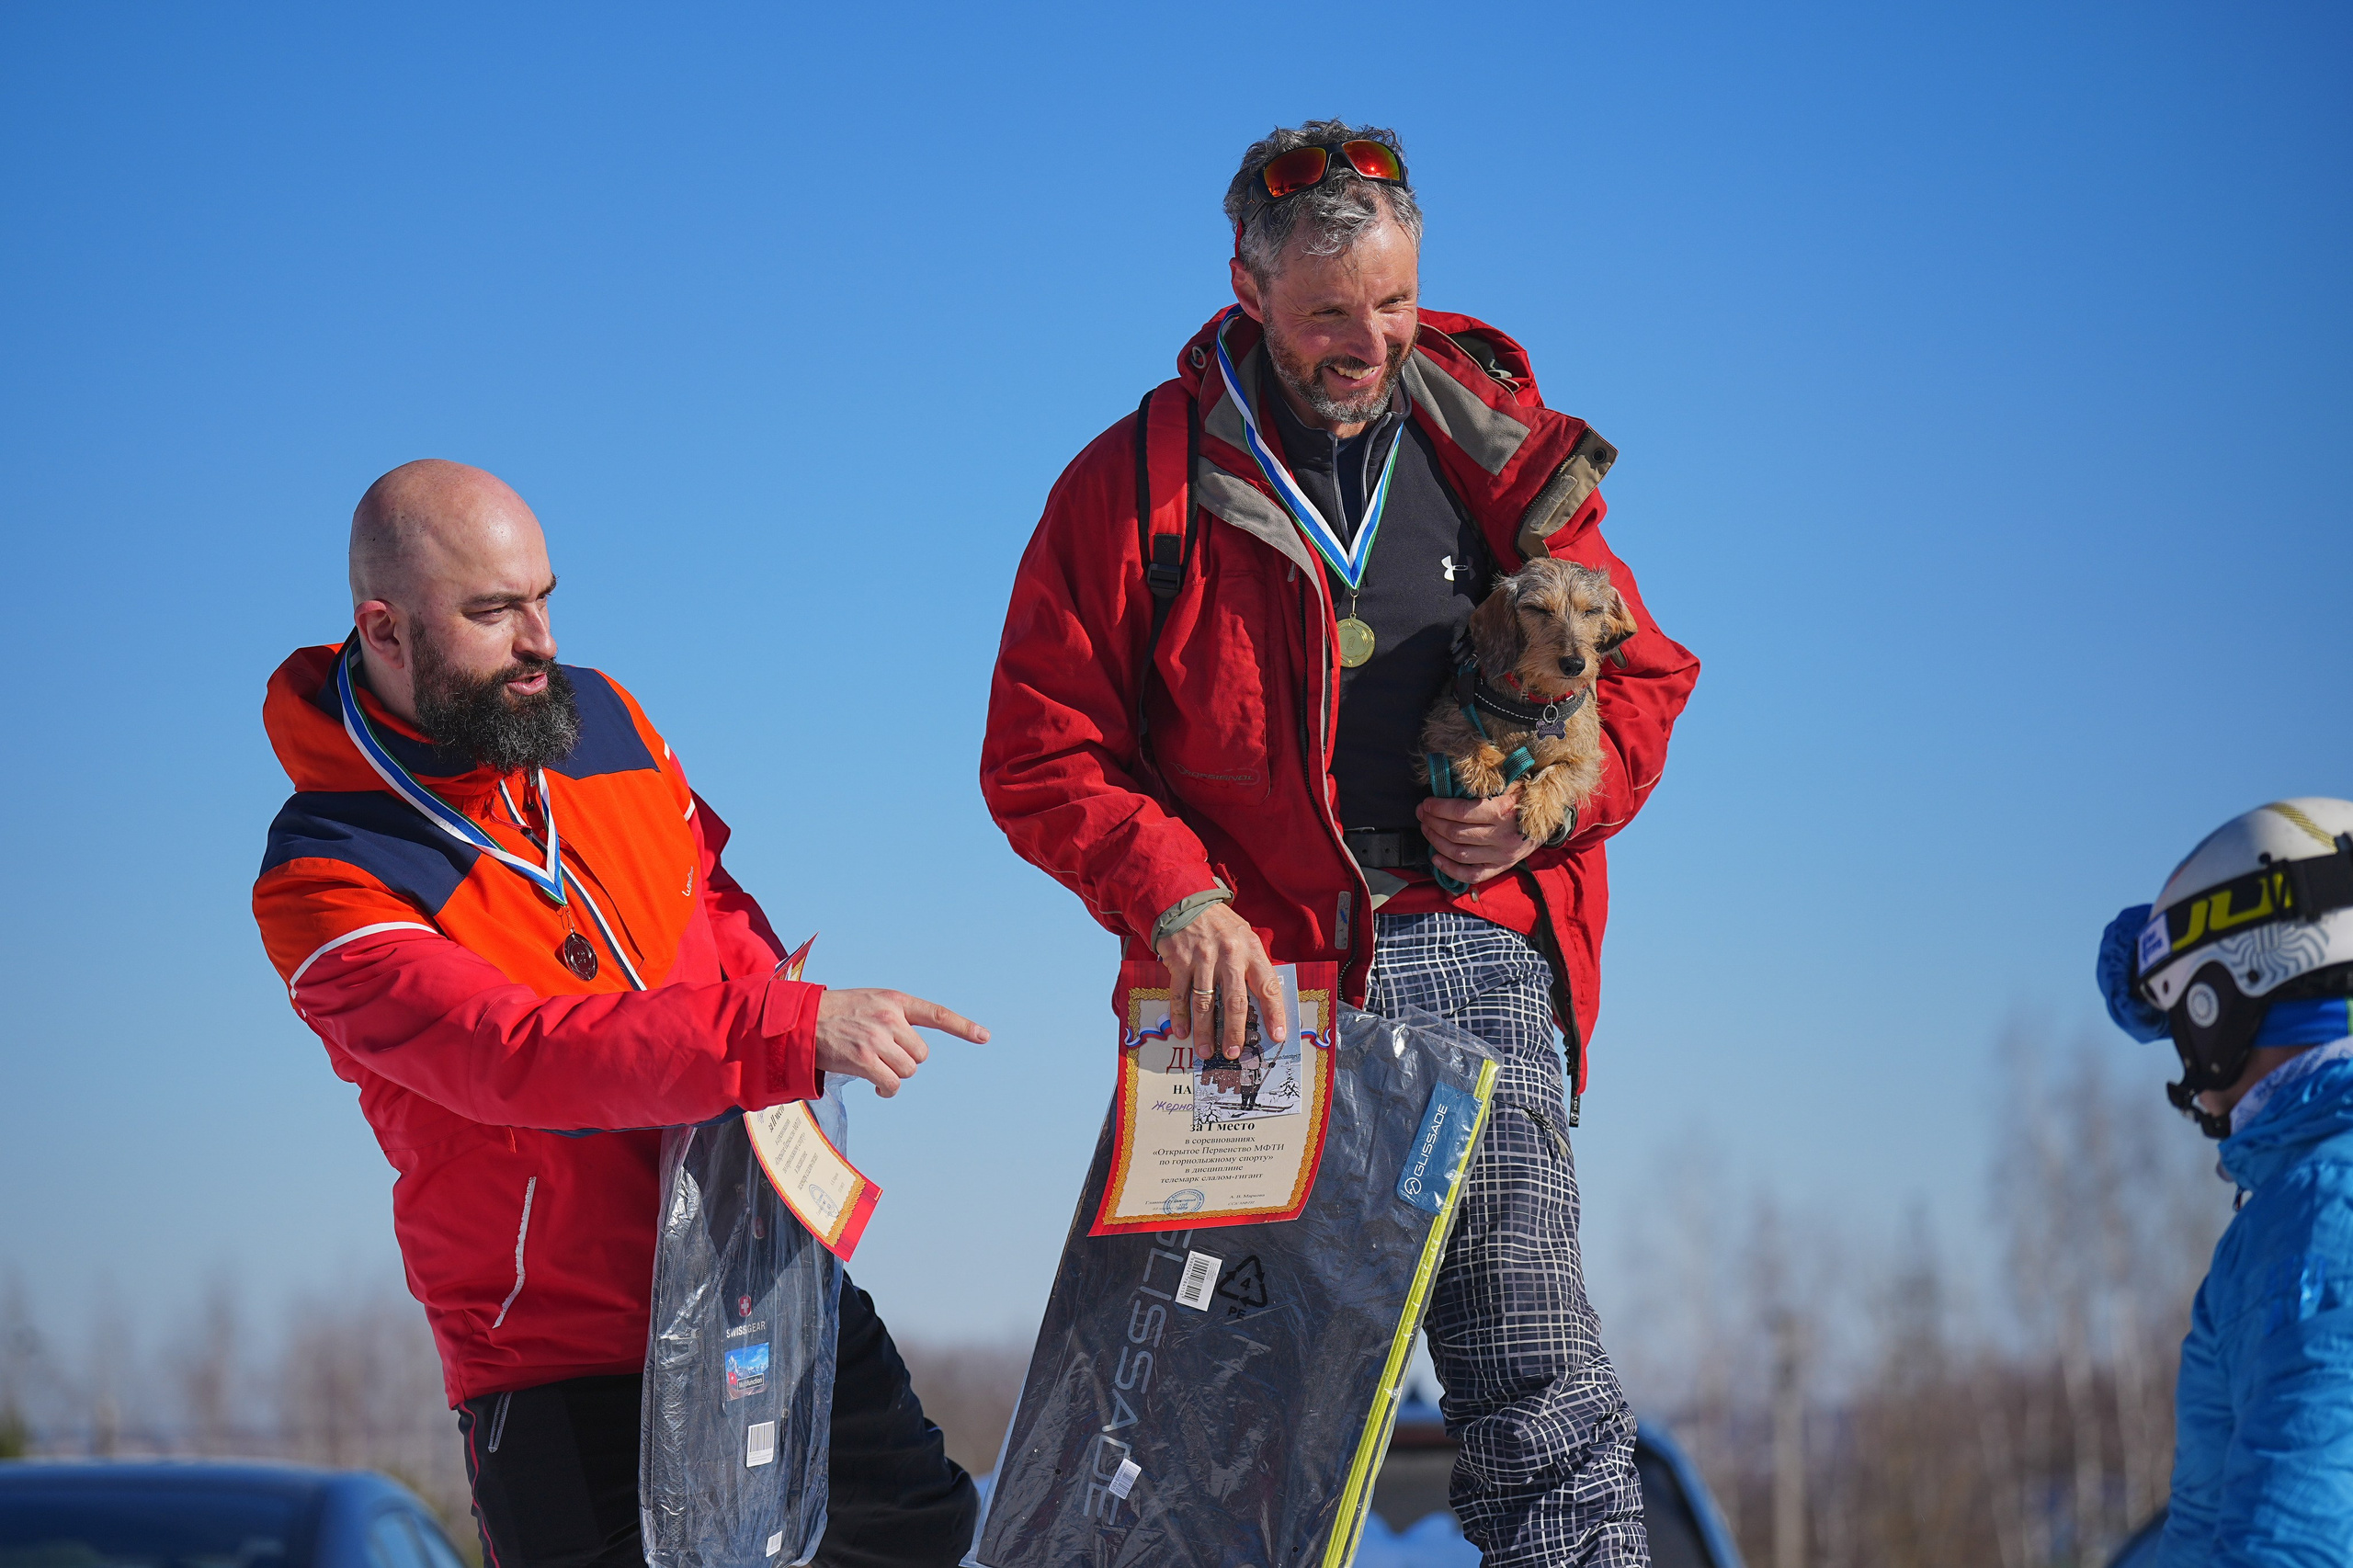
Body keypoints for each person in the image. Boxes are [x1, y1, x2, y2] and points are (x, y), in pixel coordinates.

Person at [979, 122, 1699, 1567]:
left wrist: (1547, 805)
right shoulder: (1129, 488)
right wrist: (1176, 898)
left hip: (1470, 938)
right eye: (1327, 315)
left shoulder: (1498, 448)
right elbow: (1040, 751)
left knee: (1532, 1371)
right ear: (1245, 283)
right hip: (1242, 988)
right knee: (1200, 1415)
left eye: (1394, 304)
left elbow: (1641, 674)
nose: (1368, 341)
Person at [253, 460, 986, 1568]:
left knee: (928, 1540)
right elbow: (511, 1056)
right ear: (385, 629)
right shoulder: (327, 877)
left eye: (544, 596)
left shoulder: (601, 716)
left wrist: (779, 1003)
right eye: (494, 612)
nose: (538, 638)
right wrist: (782, 1031)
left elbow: (714, 910)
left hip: (761, 1277)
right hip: (568, 1361)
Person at [2096, 797, 2353, 1564]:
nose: (2193, 1087)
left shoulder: (2322, 1223)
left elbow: (2296, 1545)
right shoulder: (2291, 1210)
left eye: (2180, 1029)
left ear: (2224, 1003)